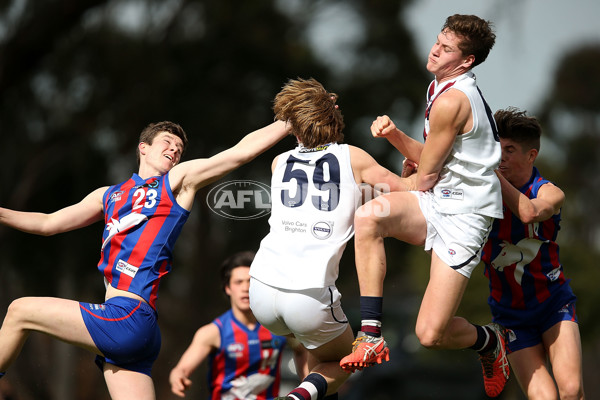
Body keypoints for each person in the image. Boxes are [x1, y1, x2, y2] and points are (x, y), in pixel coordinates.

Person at [0, 118, 291, 399]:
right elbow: (47, 223)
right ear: (143, 147)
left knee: (19, 311)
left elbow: (238, 153)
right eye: (167, 141)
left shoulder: (176, 183)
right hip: (137, 331)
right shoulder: (109, 195)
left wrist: (289, 121)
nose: (175, 150)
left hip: (128, 317)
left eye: (179, 148)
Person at [338, 14, 510, 398]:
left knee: (430, 335)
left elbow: (426, 174)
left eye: (447, 48)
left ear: (466, 61)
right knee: (369, 217)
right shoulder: (439, 84)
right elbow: (435, 162)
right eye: (438, 40)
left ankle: (489, 342)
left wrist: (387, 158)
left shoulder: (452, 100)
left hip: (465, 216)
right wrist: (401, 150)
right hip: (437, 200)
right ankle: (370, 335)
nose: (435, 49)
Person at [249, 77, 411, 400]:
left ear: (294, 128)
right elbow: (410, 190)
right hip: (308, 295)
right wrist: (417, 167)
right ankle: (297, 397)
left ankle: (305, 392)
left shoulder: (278, 162)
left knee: (316, 356)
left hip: (261, 291)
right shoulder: (354, 157)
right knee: (341, 362)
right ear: (335, 118)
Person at [481, 107, 585, 399]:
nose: (500, 157)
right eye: (496, 149)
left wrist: (492, 176)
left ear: (531, 155)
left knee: (572, 390)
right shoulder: (479, 196)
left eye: (510, 150)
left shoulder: (549, 192)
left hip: (553, 303)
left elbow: (529, 213)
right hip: (511, 315)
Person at [169, 250, 308, 399]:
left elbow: (301, 351)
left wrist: (308, 386)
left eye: (250, 282)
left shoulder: (278, 326)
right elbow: (181, 369)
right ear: (228, 288)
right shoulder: (213, 332)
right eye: (238, 282)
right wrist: (178, 377)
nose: (245, 288)